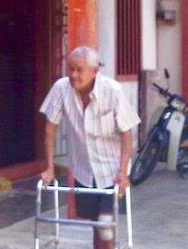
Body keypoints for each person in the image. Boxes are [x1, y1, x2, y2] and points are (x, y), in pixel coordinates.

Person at [39, 46, 140, 249]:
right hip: (83, 169)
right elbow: (50, 129)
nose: (73, 75)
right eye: (71, 68)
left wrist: (122, 172)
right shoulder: (61, 88)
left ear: (95, 71)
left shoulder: (112, 91)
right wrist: (49, 168)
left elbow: (127, 133)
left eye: (80, 70)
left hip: (111, 169)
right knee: (95, 223)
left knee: (105, 225)